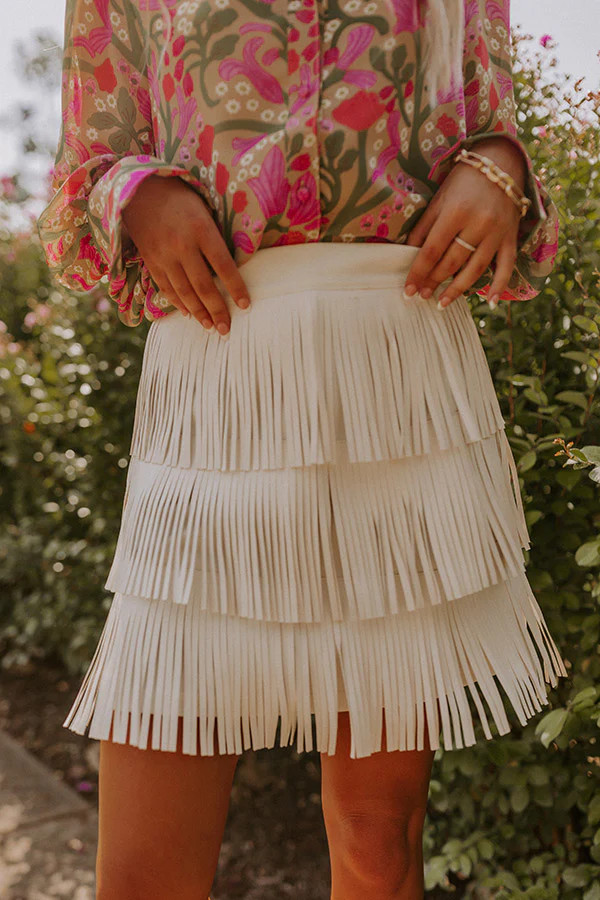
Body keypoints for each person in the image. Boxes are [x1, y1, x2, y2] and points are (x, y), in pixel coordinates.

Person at [37, 0, 568, 897]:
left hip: (398, 382)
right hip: (219, 382)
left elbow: (487, 125)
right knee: (144, 872)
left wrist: (501, 168)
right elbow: (84, 176)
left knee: (378, 838)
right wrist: (138, 192)